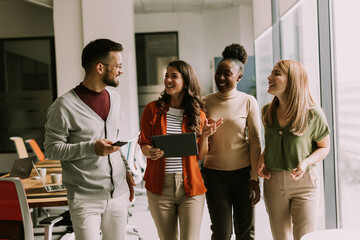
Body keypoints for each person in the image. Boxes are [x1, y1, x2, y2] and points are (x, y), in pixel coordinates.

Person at [44, 38, 135, 240]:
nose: (121, 70)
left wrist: (126, 171)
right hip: (84, 198)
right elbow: (51, 149)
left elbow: (114, 142)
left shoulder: (115, 99)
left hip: (118, 193)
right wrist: (91, 148)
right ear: (100, 67)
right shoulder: (63, 106)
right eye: (118, 66)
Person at [139, 60, 222, 240]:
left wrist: (205, 136)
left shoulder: (197, 113)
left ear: (186, 81)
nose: (168, 79)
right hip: (159, 187)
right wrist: (149, 152)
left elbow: (200, 155)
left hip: (190, 186)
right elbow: (144, 144)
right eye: (166, 76)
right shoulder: (152, 109)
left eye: (174, 76)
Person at [257, 60, 331, 240]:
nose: (270, 77)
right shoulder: (267, 111)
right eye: (271, 73)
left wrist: (305, 162)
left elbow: (324, 147)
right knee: (280, 237)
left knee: (305, 237)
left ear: (293, 80)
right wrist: (262, 158)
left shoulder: (313, 114)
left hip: (304, 183)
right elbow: (273, 142)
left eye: (276, 74)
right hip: (273, 182)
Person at [201, 43, 262, 240]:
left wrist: (254, 177)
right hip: (214, 175)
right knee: (221, 232)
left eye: (227, 73)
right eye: (219, 72)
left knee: (246, 233)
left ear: (239, 77)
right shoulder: (204, 102)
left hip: (243, 174)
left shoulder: (248, 101)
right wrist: (204, 133)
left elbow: (255, 141)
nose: (220, 78)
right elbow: (197, 140)